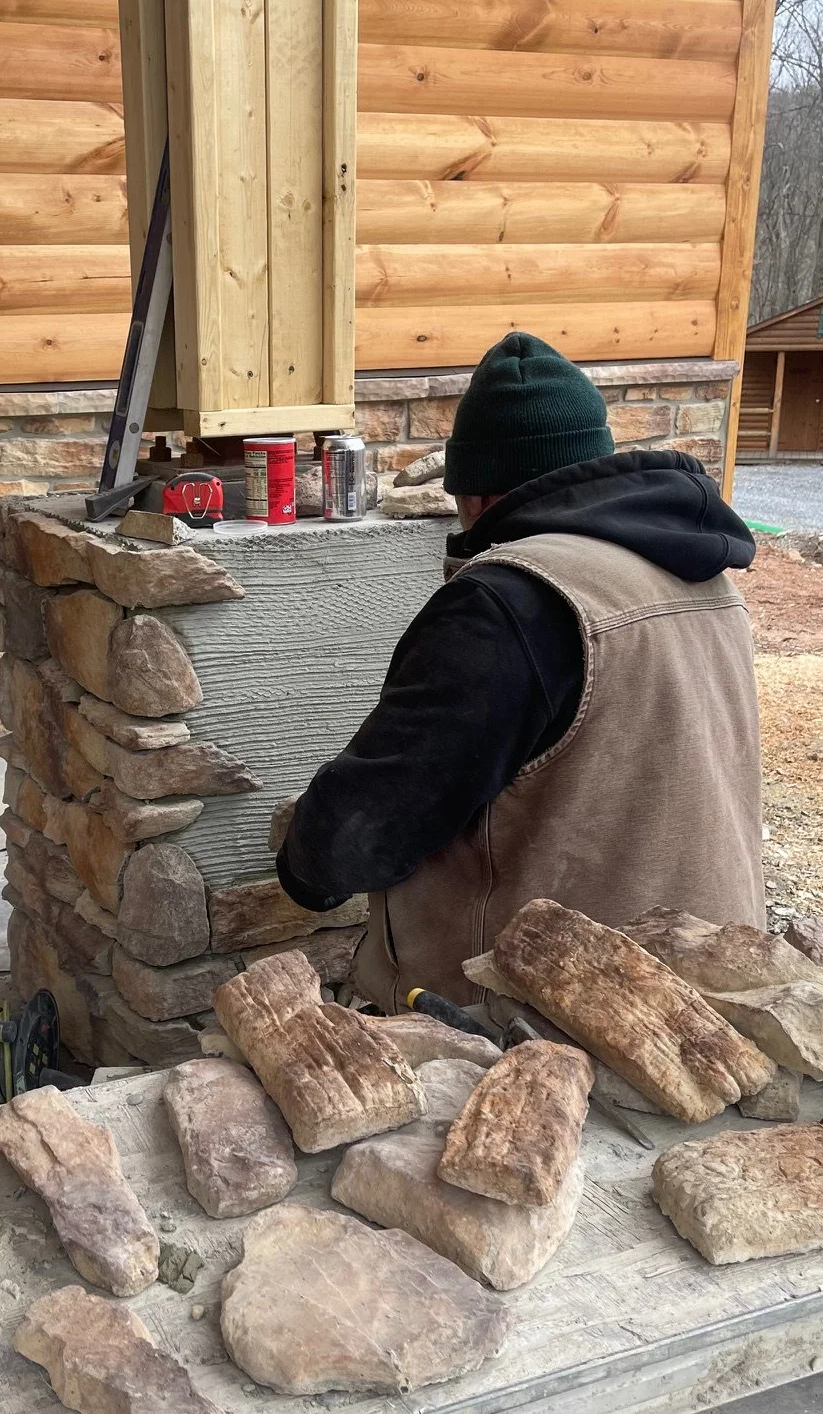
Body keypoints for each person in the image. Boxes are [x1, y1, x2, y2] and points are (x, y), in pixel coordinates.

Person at [276, 331, 766, 1009]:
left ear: (476, 496)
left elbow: (364, 832)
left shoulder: (508, 601)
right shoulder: (699, 571)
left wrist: (303, 855)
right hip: (717, 973)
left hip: (553, 1014)